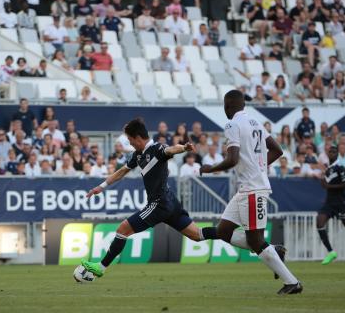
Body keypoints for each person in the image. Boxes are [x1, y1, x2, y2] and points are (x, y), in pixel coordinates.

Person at [80, 118, 212, 281]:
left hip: (159, 203)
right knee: (197, 235)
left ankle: (100, 268)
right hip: (170, 202)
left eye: (130, 140)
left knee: (122, 230)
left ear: (138, 138)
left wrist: (184, 148)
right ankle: (236, 236)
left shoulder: (157, 149)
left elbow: (171, 150)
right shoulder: (138, 154)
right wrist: (101, 187)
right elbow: (122, 171)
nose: (130, 143)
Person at [200, 90, 302, 294]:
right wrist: (260, 167)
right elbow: (277, 150)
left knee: (256, 241)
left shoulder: (232, 125)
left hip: (253, 190)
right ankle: (274, 250)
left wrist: (210, 168)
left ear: (227, 106)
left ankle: (292, 283)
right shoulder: (255, 123)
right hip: (247, 188)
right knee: (223, 232)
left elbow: (232, 159)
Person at [316, 145, 345, 265]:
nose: (332, 153)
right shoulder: (328, 169)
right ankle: (331, 252)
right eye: (330, 151)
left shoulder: (340, 167)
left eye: (334, 151)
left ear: (337, 154)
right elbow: (325, 185)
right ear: (327, 153)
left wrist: (329, 186)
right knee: (320, 222)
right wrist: (322, 179)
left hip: (341, 202)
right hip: (329, 203)